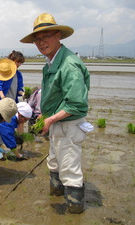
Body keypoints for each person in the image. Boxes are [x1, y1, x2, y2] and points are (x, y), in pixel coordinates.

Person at [20, 13, 90, 214]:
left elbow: (76, 104)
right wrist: (45, 115)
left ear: (58, 35)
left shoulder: (69, 65)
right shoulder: (50, 63)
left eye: (46, 36)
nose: (41, 43)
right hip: (56, 122)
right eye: (37, 39)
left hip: (68, 124)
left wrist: (49, 118)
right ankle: (57, 193)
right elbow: (52, 96)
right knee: (54, 161)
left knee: (70, 170)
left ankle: (74, 212)